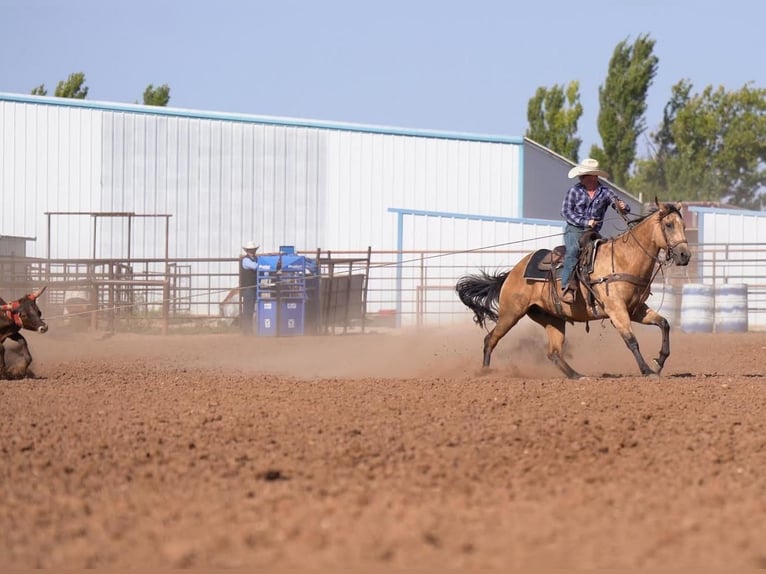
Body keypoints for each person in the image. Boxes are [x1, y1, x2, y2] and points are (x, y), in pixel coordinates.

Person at [560, 158, 630, 303]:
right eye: (588, 176)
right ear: (582, 177)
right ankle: (567, 287)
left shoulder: (605, 192)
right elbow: (566, 212)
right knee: (573, 251)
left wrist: (623, 207)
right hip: (574, 230)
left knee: (607, 252)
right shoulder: (574, 191)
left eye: (593, 176)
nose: (591, 179)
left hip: (593, 233)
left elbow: (615, 202)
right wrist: (586, 221)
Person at [239, 241, 260, 334]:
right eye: (250, 250)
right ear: (247, 251)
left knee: (250, 309)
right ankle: (246, 329)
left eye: (253, 250)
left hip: (253, 287)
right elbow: (256, 267)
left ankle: (249, 329)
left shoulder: (255, 259)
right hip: (248, 287)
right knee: (248, 309)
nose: (252, 251)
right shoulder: (246, 260)